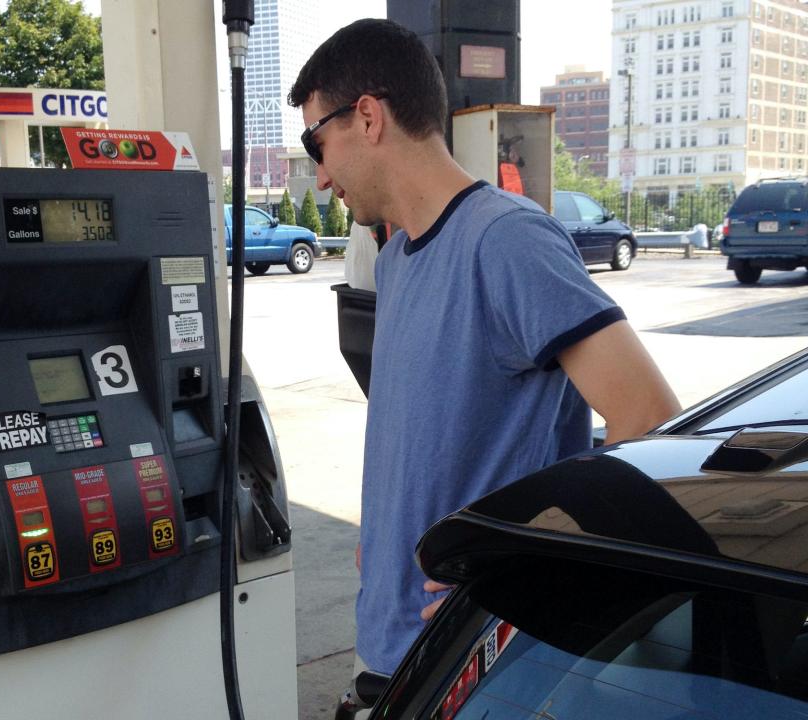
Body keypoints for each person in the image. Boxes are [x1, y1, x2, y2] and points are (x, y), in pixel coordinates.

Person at [288, 19, 682, 679]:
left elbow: (648, 418)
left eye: (315, 143)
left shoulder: (508, 240)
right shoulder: (398, 261)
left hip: (473, 664)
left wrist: (532, 562)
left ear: (366, 117)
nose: (320, 178)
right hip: (385, 643)